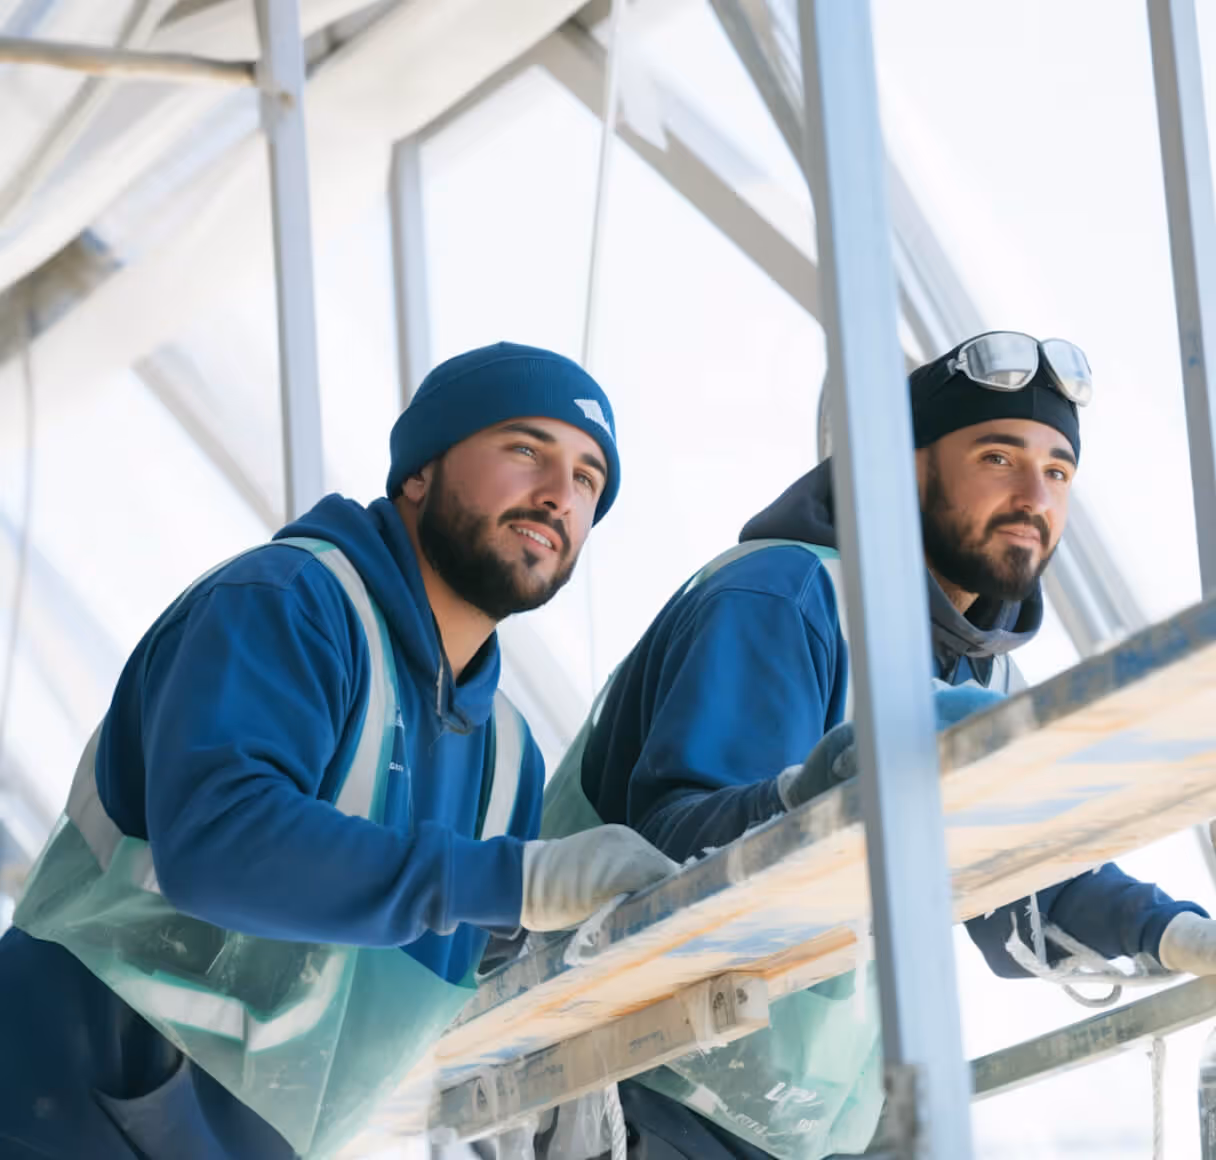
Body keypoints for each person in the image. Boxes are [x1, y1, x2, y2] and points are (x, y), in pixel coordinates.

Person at [539, 331, 1216, 1160]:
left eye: (1058, 470)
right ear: (906, 467)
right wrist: (810, 800)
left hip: (810, 1119)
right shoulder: (783, 596)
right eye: (998, 458)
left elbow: (1014, 885)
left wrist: (1169, 931)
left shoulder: (977, 682)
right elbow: (667, 853)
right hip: (652, 1090)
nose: (1034, 494)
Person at [0, 342, 677, 1160]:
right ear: (419, 472)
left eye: (587, 480)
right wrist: (518, 880)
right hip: (54, 1112)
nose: (557, 495)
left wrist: (549, 1054)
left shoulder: (507, 756)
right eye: (526, 449)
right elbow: (221, 845)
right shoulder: (289, 605)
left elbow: (430, 982)